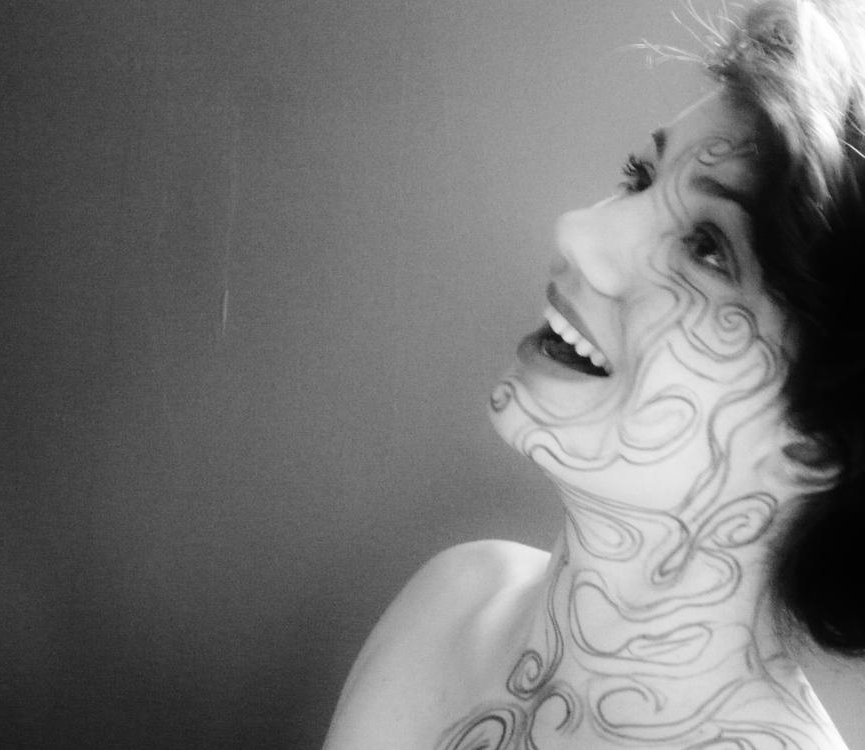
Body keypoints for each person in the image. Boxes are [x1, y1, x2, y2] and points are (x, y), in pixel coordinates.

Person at [323, 0, 865, 748]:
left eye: (708, 248)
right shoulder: (452, 599)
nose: (578, 231)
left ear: (814, 446)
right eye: (638, 177)